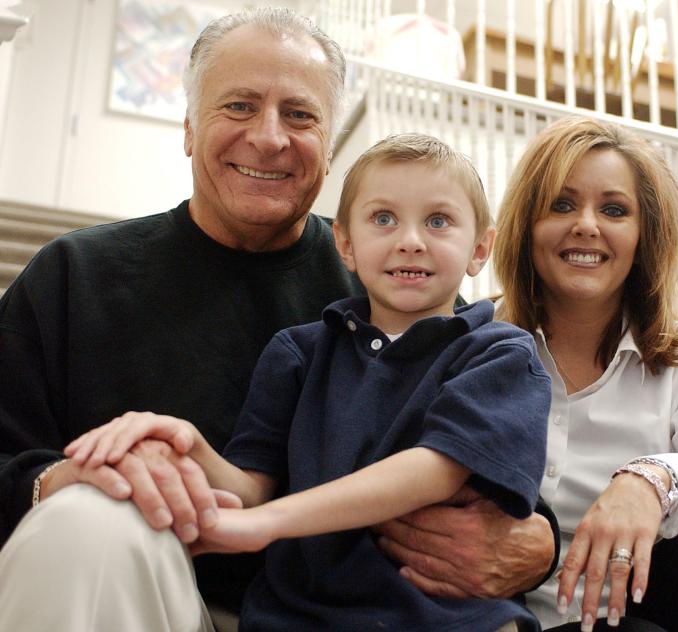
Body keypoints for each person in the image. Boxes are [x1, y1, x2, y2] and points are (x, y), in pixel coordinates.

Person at [0, 8, 555, 631]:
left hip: (385, 613)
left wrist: (540, 542)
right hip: (159, 597)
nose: (269, 137)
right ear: (188, 127)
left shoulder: (392, 286)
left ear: (330, 142)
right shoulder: (71, 276)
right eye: (238, 106)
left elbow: (497, 465)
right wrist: (68, 477)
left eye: (299, 114)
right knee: (86, 519)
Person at [492, 116, 678, 632]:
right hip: (497, 619)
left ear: (642, 236)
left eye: (614, 209)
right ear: (527, 227)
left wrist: (652, 481)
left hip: (632, 612)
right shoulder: (475, 342)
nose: (586, 224)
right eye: (562, 204)